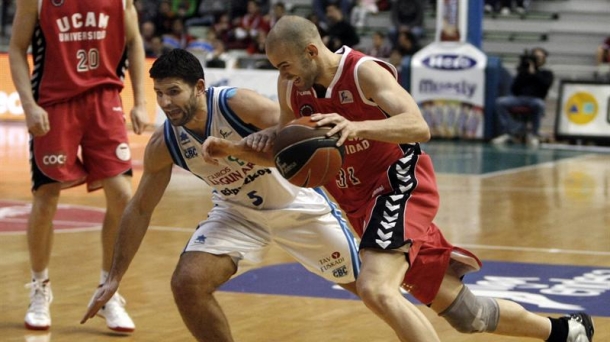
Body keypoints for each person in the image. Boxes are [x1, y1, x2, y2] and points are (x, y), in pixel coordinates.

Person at [208, 15, 595, 342]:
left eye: (284, 65)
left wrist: (357, 127)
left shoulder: (362, 72)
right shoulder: (292, 85)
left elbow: (418, 126)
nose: (282, 74)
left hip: (398, 185)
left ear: (311, 51)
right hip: (358, 203)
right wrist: (237, 149)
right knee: (465, 313)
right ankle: (567, 332)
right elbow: (289, 152)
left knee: (375, 289)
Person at [80, 48, 361, 341]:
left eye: (173, 92)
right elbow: (139, 209)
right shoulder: (164, 143)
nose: (165, 102)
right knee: (187, 284)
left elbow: (298, 132)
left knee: (372, 290)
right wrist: (114, 278)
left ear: (199, 87)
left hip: (297, 207)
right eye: (159, 93)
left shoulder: (237, 104)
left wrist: (265, 138)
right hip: (236, 214)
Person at [8, 0, 149, 332]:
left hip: (104, 100)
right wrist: (28, 105)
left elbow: (134, 41)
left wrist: (141, 101)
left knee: (121, 195)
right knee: (47, 197)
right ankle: (40, 288)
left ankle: (108, 291)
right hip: (55, 103)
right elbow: (16, 48)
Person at [492, 47, 554, 147]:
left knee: (539, 105)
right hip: (520, 99)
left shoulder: (547, 74)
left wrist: (534, 72)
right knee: (500, 102)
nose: (537, 59)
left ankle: (534, 134)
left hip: (535, 100)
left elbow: (545, 85)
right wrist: (523, 73)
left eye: (540, 57)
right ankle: (509, 132)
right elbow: (514, 89)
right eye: (535, 56)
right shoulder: (523, 72)